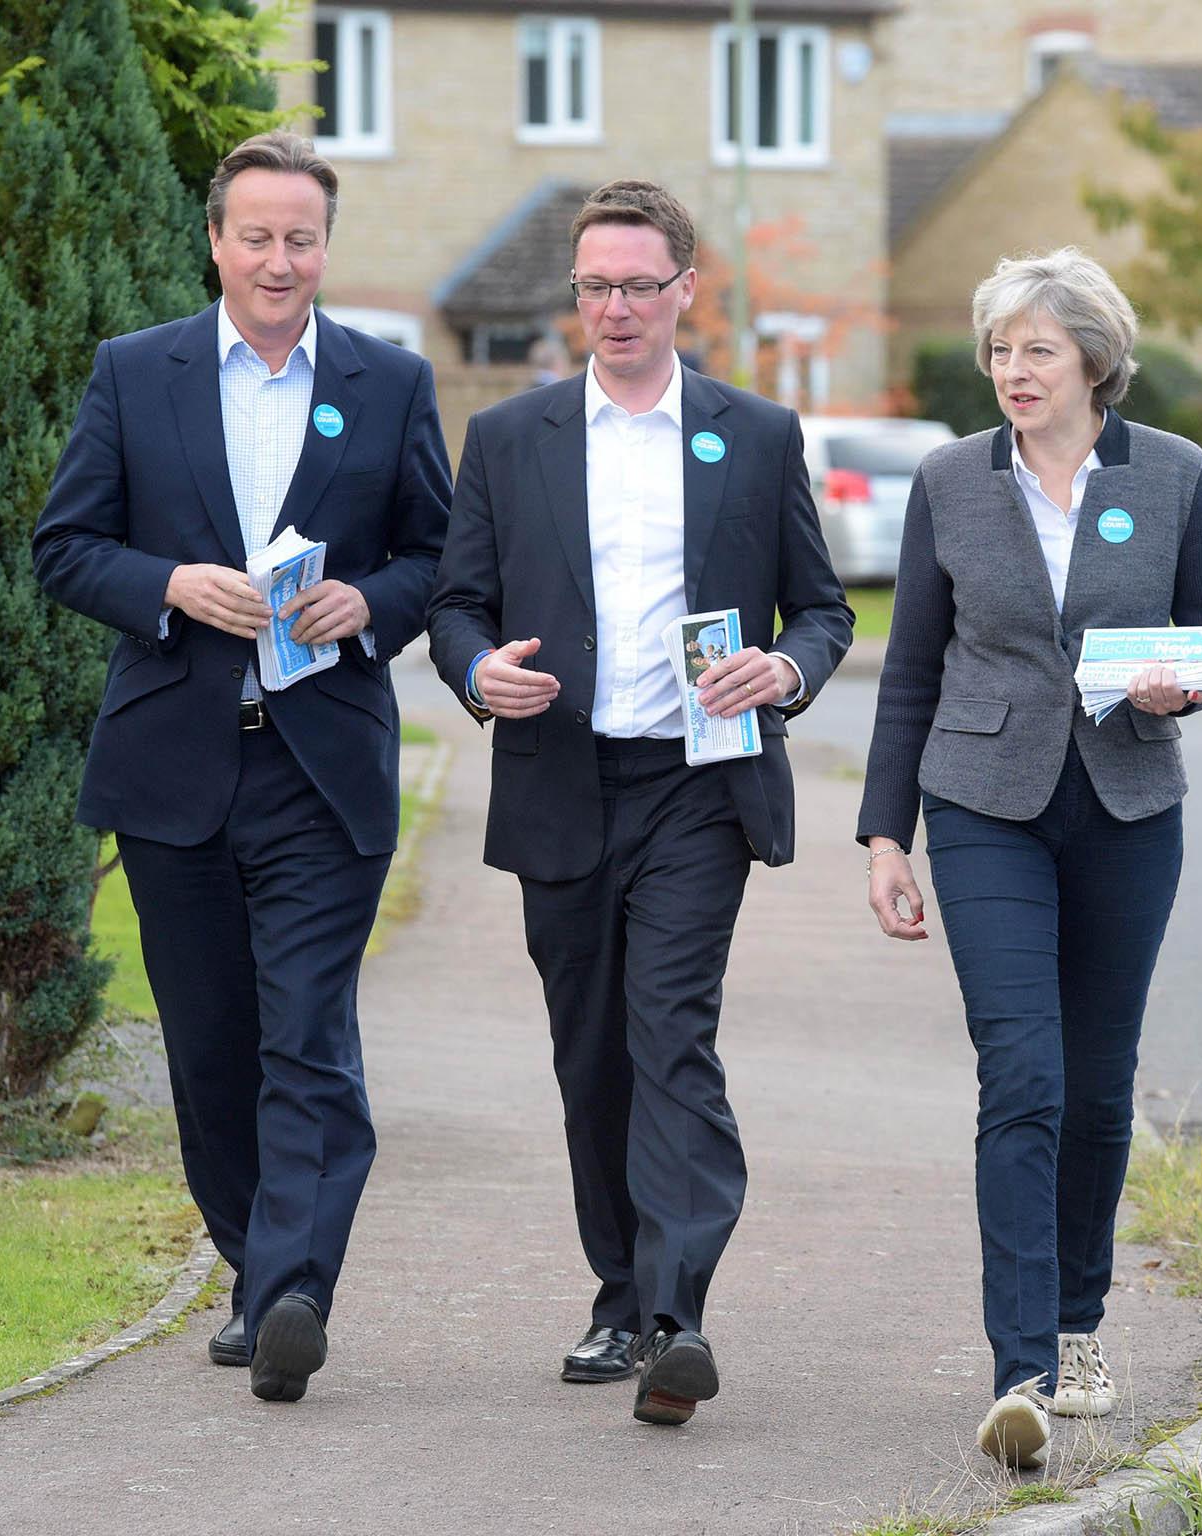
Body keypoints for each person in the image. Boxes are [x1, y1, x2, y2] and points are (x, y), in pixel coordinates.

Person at [427, 180, 853, 1427]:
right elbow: (458, 605)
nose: (614, 307)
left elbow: (822, 610)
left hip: (696, 782)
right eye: (594, 287)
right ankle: (616, 1293)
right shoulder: (510, 440)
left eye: (636, 285)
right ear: (576, 299)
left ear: (684, 293)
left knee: (671, 1030)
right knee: (590, 1051)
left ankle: (677, 1315)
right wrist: (474, 670)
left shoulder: (754, 434)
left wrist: (786, 669)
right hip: (561, 775)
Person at [33, 130, 450, 1405]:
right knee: (210, 1046)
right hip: (174, 768)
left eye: (302, 238)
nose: (280, 259)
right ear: (215, 240)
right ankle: (250, 1265)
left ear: (327, 246)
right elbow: (64, 547)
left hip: (321, 769)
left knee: (309, 1039)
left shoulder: (387, 382)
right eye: (256, 236)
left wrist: (366, 607)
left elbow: (438, 557)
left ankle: (292, 1293)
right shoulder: (134, 372)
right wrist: (168, 583)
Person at [856, 248, 1202, 1468]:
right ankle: (1020, 1367)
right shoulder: (948, 481)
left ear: (1092, 356)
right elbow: (910, 667)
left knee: (1094, 1087)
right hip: (983, 802)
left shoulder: (1173, 475)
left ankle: (1080, 1321)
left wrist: (1179, 686)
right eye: (998, 350)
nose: (1012, 371)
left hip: (1129, 802)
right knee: (1019, 1071)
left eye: (1036, 349)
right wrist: (885, 834)